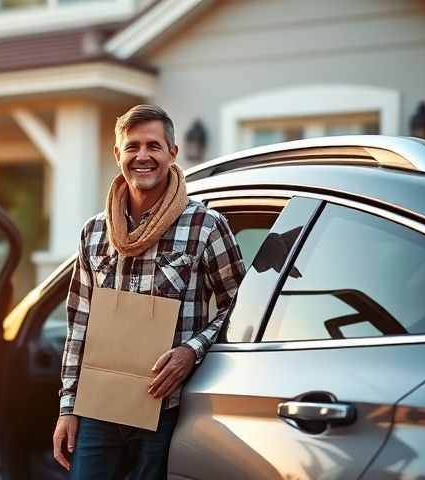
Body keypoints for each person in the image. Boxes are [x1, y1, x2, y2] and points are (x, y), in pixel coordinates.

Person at [52, 104, 246, 479]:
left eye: (154, 146)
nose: (143, 156)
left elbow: (238, 307)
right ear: (117, 155)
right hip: (98, 408)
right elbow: (79, 325)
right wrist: (67, 407)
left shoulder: (205, 225)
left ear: (172, 154)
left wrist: (193, 351)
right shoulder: (93, 232)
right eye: (133, 146)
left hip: (167, 409)